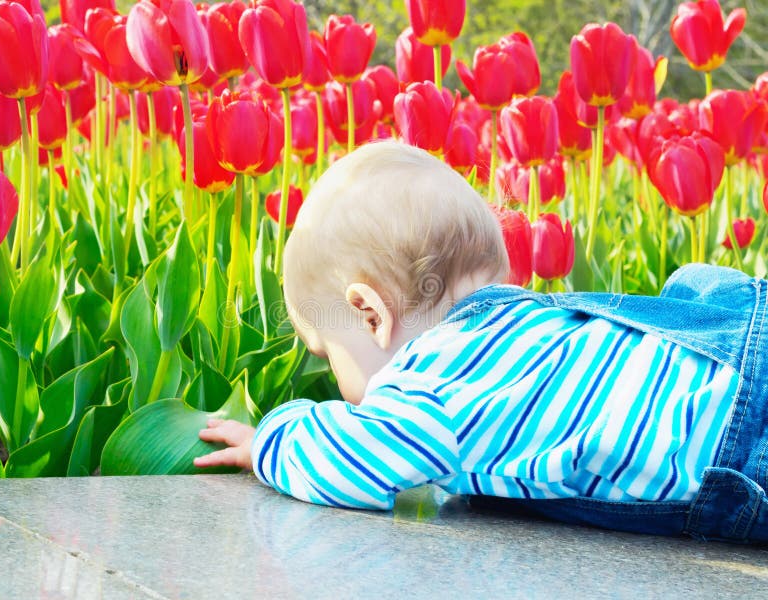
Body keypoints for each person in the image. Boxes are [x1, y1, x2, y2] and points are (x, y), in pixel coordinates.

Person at [194, 140, 768, 544]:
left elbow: (368, 460)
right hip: (735, 331)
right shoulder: (529, 318)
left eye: (329, 353)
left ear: (370, 315)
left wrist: (272, 440)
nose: (336, 380)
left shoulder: (427, 379)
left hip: (736, 451)